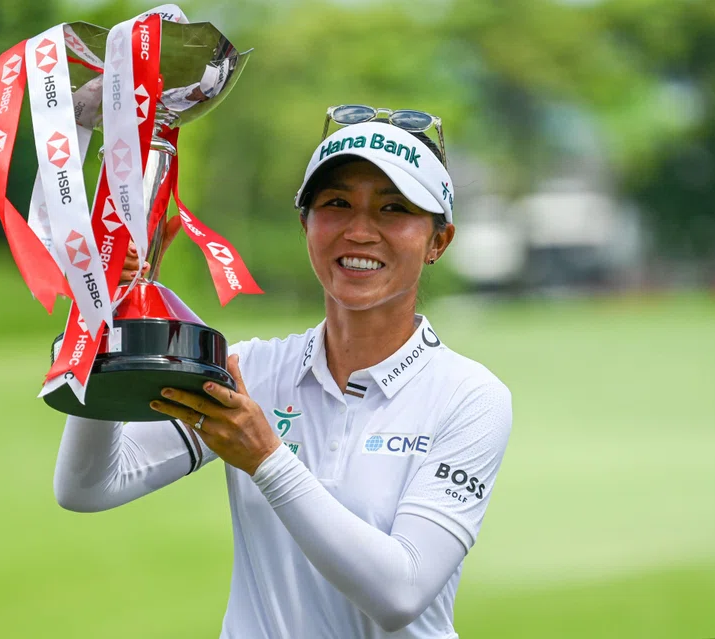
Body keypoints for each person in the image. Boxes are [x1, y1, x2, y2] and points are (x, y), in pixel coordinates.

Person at [53, 106, 513, 638]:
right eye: (336, 204)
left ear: (438, 241)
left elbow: (400, 594)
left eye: (393, 209)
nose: (360, 231)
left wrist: (266, 459)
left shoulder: (469, 396)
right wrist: (102, 316)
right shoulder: (251, 370)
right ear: (306, 224)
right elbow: (87, 488)